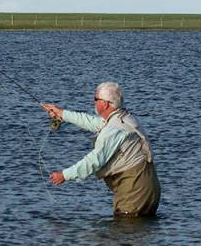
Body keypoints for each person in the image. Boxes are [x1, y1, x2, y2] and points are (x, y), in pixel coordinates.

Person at [40, 82, 161, 218]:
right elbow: (92, 122)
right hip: (148, 189)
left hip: (134, 192)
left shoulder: (114, 130)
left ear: (105, 104)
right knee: (135, 235)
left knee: (125, 232)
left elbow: (95, 160)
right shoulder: (123, 117)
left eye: (95, 99)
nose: (93, 102)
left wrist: (65, 175)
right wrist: (62, 113)